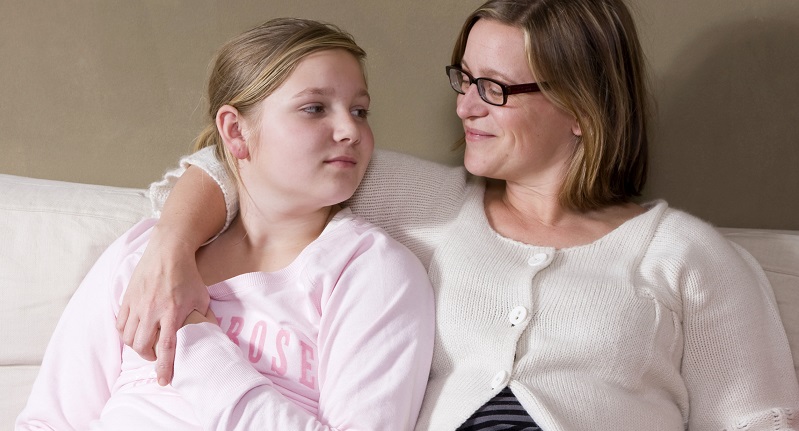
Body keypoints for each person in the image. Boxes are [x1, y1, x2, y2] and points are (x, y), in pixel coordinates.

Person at [117, 0, 799, 430]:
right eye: (464, 79)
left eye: (494, 88)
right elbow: (242, 164)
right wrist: (171, 250)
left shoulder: (686, 255)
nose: (465, 105)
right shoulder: (422, 200)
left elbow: (758, 418)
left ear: (581, 108)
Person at [15, 17, 434, 431]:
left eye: (360, 111)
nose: (350, 130)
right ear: (236, 131)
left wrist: (195, 341)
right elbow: (48, 422)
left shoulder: (370, 270)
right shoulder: (144, 257)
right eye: (314, 108)